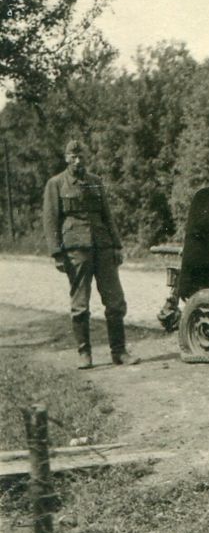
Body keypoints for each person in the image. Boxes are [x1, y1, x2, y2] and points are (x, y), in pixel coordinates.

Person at [42, 139, 140, 369]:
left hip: (103, 246)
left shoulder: (95, 182)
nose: (78, 161)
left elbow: (107, 215)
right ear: (66, 158)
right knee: (80, 304)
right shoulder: (56, 184)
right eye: (73, 157)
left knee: (115, 301)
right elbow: (50, 220)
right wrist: (57, 253)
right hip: (76, 249)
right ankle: (84, 354)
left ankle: (119, 352)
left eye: (81, 157)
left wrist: (116, 245)